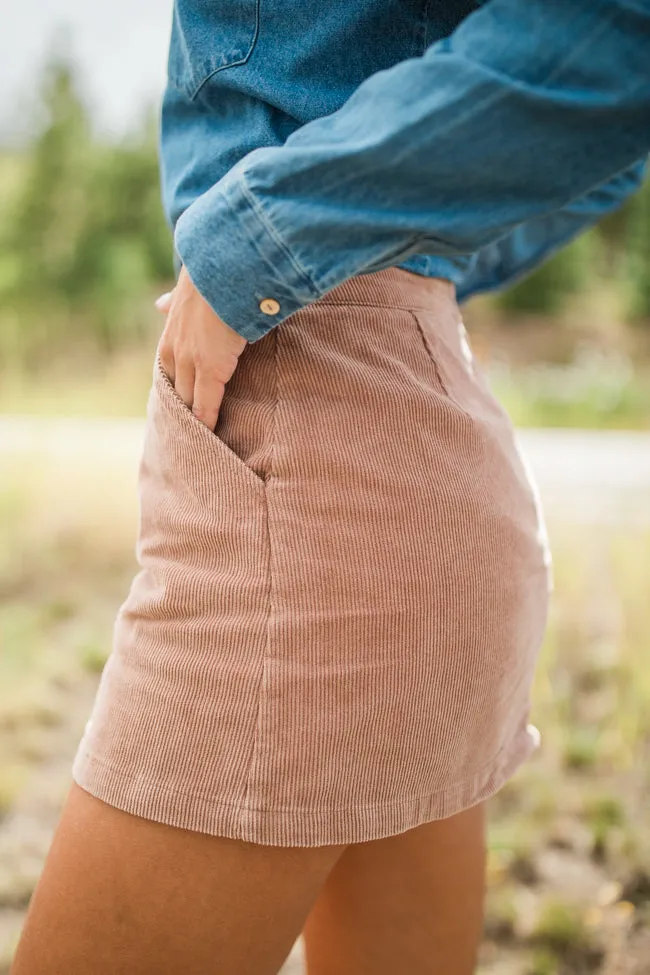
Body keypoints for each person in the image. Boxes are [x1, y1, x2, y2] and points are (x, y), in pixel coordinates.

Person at [11, 1, 650, 973]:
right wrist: (416, 264)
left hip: (311, 439)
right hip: (420, 425)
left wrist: (255, 246)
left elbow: (616, 41)